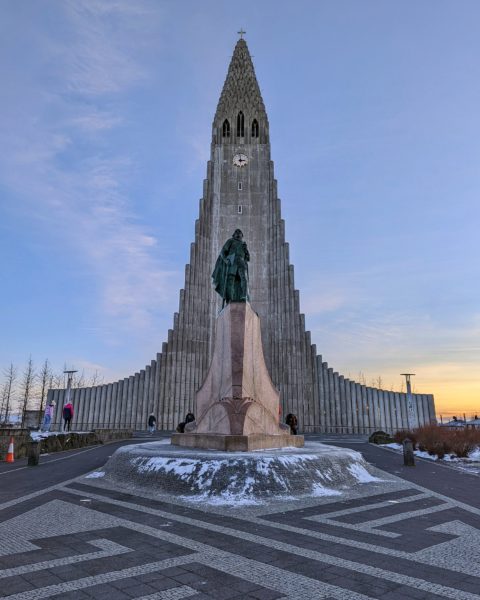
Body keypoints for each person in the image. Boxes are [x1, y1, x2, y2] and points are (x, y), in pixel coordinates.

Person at [212, 229, 250, 305]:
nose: (238, 233)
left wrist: (246, 249)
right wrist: (226, 260)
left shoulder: (243, 244)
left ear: (242, 235)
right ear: (234, 235)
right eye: (236, 232)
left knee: (244, 278)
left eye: (240, 232)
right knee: (230, 281)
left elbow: (248, 258)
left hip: (241, 262)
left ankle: (244, 296)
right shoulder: (231, 241)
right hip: (233, 262)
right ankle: (229, 299)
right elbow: (223, 252)